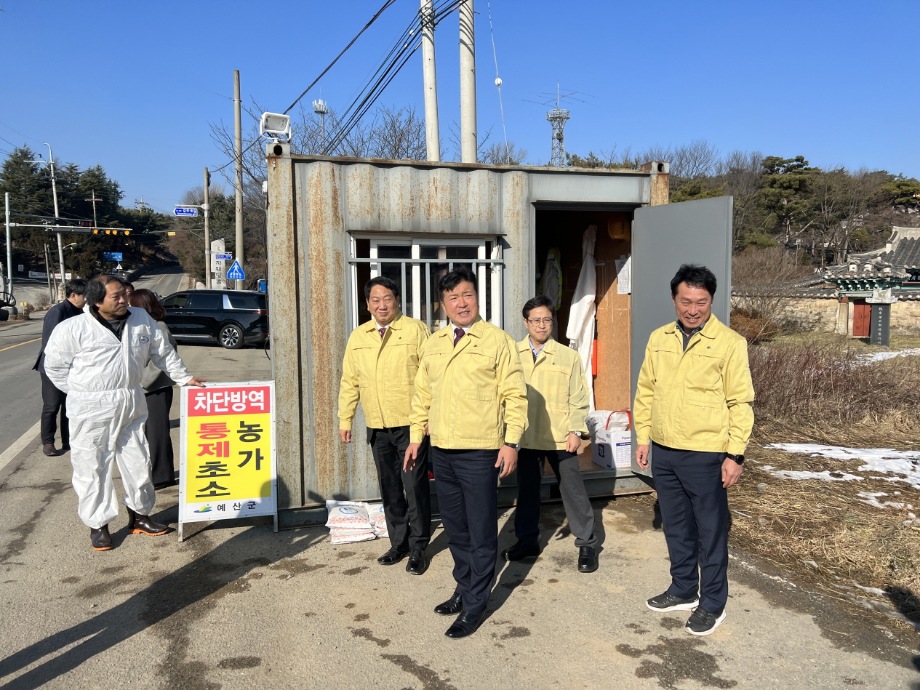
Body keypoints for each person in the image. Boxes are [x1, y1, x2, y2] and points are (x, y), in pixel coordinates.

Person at [404, 266, 527, 639]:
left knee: (480, 530)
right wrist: (414, 437)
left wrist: (511, 442)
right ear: (442, 305)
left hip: (480, 451)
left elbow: (515, 396)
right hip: (442, 448)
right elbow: (422, 394)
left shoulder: (497, 341)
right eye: (453, 297)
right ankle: (464, 585)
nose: (462, 302)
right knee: (456, 527)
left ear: (477, 297)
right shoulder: (436, 342)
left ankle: (476, 604)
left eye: (467, 294)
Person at [633, 264, 754, 636]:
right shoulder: (659, 339)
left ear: (711, 301)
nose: (693, 309)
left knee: (710, 530)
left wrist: (735, 455)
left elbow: (741, 402)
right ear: (674, 300)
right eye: (686, 300)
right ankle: (684, 588)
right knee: (678, 527)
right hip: (665, 450)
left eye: (701, 301)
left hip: (705, 453)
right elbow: (646, 390)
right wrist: (643, 435)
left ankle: (713, 604)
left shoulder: (730, 343)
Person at [44, 274, 205, 552]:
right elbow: (55, 368)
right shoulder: (73, 328)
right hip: (90, 407)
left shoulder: (141, 317)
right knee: (92, 467)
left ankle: (140, 516)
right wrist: (81, 392)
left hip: (131, 399)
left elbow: (163, 352)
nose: (123, 300)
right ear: (97, 301)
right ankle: (99, 525)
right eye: (115, 296)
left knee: (138, 460)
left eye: (124, 294)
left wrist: (184, 378)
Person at [338, 276, 432, 575]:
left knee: (413, 487)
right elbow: (350, 381)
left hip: (410, 425)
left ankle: (419, 546)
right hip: (377, 427)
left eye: (387, 298)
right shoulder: (359, 336)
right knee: (390, 488)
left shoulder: (415, 330)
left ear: (397, 300)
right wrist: (345, 418)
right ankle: (399, 542)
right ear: (367, 305)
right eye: (375, 300)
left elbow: (431, 376)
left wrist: (428, 417)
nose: (382, 305)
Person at [505, 295, 598, 573]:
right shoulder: (512, 354)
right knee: (528, 492)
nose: (542, 325)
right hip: (527, 436)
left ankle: (587, 544)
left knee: (573, 493)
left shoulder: (567, 356)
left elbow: (579, 397)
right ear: (526, 322)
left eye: (547, 319)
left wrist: (576, 431)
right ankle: (527, 541)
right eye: (536, 320)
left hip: (561, 436)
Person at [130, 288, 179, 489]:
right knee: (147, 433)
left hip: (156, 388)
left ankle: (161, 476)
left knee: (157, 432)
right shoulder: (141, 327)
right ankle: (156, 473)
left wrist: (142, 382)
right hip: (145, 388)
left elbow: (163, 361)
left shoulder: (159, 327)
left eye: (133, 305)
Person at [33, 278, 87, 456]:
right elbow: (51, 344)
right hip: (52, 367)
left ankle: (68, 440)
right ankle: (48, 442)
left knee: (69, 405)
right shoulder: (57, 312)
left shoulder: (80, 312)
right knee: (52, 405)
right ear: (74, 295)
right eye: (84, 295)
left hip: (72, 367)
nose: (87, 299)